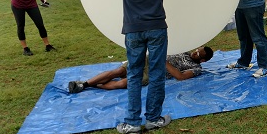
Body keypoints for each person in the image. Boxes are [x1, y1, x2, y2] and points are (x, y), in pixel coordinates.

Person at [112, 0, 188, 134]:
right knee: (156, 74)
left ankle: (133, 123)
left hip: (133, 30)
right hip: (156, 28)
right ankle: (154, 119)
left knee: (134, 74)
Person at [68, 46, 214, 93]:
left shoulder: (196, 68)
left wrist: (163, 61)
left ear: (202, 60)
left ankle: (94, 85)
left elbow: (180, 77)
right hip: (147, 60)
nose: (195, 52)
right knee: (118, 72)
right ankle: (84, 84)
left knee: (124, 83)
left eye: (198, 54)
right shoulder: (184, 48)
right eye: (197, 49)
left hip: (155, 72)